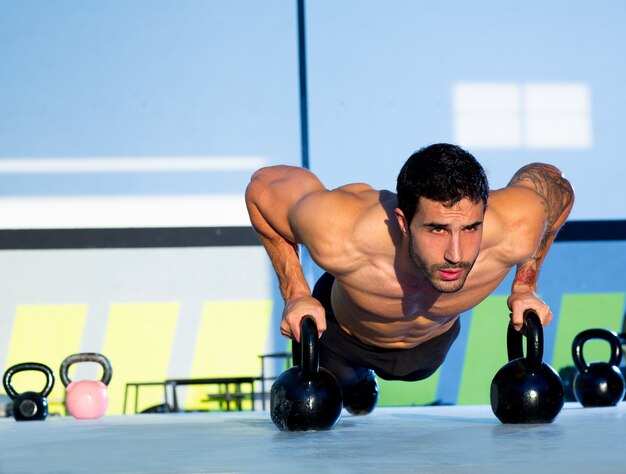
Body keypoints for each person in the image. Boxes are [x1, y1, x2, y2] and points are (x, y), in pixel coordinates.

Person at [245, 143, 574, 415]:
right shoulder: (341, 229)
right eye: (437, 229)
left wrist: (525, 285)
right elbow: (263, 185)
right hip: (344, 338)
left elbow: (555, 185)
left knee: (417, 370)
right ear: (403, 222)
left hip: (429, 347)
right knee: (350, 393)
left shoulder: (516, 225)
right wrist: (296, 292)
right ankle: (359, 384)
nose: (456, 255)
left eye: (471, 228)